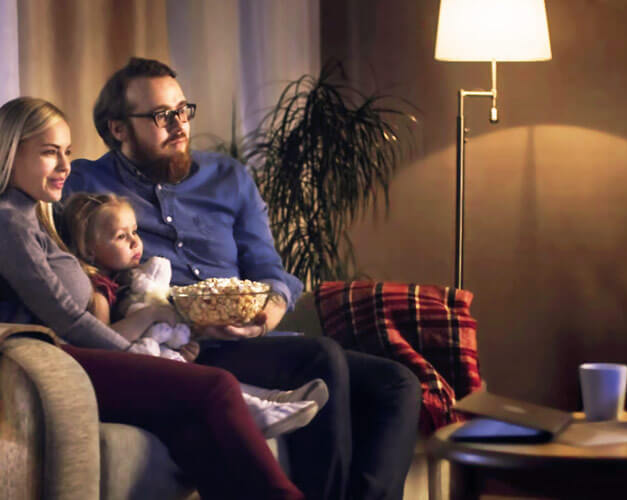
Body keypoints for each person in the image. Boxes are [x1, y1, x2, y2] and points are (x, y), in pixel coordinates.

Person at [63, 56, 422, 500]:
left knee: (397, 383)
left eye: (182, 110)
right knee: (322, 359)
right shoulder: (84, 183)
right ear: (118, 129)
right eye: (160, 116)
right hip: (182, 347)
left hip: (248, 338)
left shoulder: (228, 177)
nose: (178, 124)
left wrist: (269, 313)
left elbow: (270, 268)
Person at [0, 96, 304, 500]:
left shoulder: (33, 214)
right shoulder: (8, 220)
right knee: (215, 386)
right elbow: (66, 319)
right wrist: (136, 353)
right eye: (49, 153)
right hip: (53, 362)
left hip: (73, 354)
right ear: (9, 151)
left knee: (190, 429)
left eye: (68, 153)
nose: (65, 167)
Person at [61, 191, 327, 438]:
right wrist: (152, 314)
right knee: (210, 382)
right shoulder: (99, 294)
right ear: (89, 250)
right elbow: (104, 345)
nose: (135, 242)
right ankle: (261, 411)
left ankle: (276, 400)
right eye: (121, 236)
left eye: (135, 231)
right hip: (134, 377)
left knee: (202, 372)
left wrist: (181, 346)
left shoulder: (129, 283)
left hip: (155, 358)